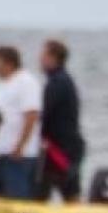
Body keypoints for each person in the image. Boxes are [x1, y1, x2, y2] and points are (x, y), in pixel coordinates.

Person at [0, 45, 42, 199]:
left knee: (17, 197)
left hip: (18, 155)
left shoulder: (26, 81)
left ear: (9, 63)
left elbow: (31, 115)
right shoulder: (2, 85)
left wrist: (20, 146)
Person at [37, 39, 88, 202]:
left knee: (51, 192)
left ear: (53, 58)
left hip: (61, 150)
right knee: (68, 192)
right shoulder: (63, 80)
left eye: (43, 55)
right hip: (66, 147)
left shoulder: (58, 83)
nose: (40, 59)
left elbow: (44, 115)